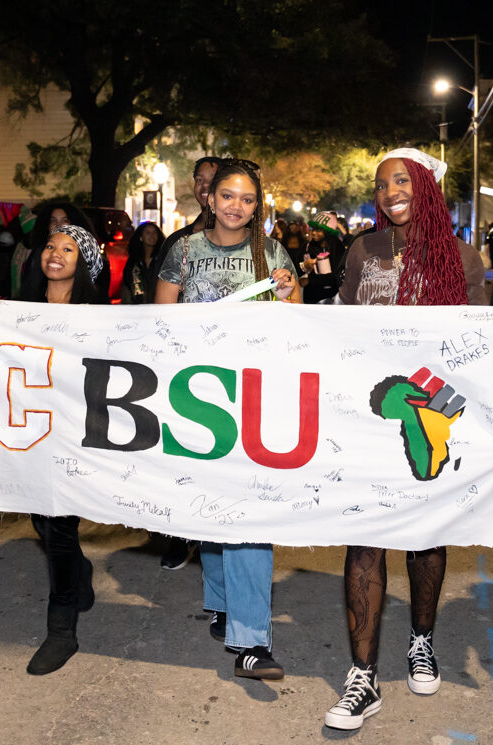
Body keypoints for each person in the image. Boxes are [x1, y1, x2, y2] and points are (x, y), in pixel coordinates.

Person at [324, 148, 485, 732]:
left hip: (429, 417)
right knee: (364, 539)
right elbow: (341, 326)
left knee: (424, 537)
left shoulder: (462, 257)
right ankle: (362, 677)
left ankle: (421, 640)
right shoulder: (362, 251)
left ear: (426, 186)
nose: (391, 190)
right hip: (368, 415)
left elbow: (480, 348)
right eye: (381, 183)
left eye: (402, 180)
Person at [156, 158, 300, 680]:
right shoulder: (185, 251)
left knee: (250, 516)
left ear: (255, 206)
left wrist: (288, 294)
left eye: (247, 198)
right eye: (228, 196)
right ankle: (219, 600)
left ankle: (252, 642)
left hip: (253, 400)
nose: (237, 205)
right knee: (211, 510)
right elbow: (160, 322)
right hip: (195, 400)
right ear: (210, 199)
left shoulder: (273, 253)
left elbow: (296, 323)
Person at [18, 223, 106, 674]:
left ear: (83, 262)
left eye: (67, 249)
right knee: (41, 521)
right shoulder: (17, 309)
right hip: (29, 430)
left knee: (60, 527)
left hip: (74, 432)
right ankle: (79, 571)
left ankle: (61, 631)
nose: (55, 253)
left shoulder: (97, 314)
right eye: (49, 246)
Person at [153, 155, 220, 569]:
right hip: (181, 364)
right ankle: (178, 533)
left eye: (214, 180)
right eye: (200, 179)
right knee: (179, 450)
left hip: (228, 368)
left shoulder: (254, 246)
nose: (204, 187)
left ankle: (212, 535)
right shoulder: (178, 243)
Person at [120, 221, 166, 304]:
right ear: (141, 237)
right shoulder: (134, 260)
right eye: (148, 233)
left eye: (154, 232)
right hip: (137, 308)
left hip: (158, 306)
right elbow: (127, 283)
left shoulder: (163, 258)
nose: (152, 236)